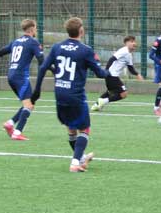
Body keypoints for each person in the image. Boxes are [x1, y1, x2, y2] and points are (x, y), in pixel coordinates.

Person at [31, 17, 109, 173]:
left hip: (60, 93)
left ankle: (81, 158)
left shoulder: (57, 47)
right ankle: (75, 163)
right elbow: (100, 74)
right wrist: (108, 70)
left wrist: (37, 91)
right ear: (81, 30)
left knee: (72, 129)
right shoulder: (86, 50)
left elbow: (43, 68)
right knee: (85, 129)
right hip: (75, 95)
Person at [0, 18, 44, 140]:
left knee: (29, 104)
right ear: (32, 29)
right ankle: (17, 132)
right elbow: (41, 60)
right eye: (36, 28)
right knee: (28, 105)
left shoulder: (16, 42)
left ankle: (10, 123)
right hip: (21, 77)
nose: (36, 30)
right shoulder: (33, 42)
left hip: (11, 76)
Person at [92, 35, 144, 112]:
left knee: (110, 92)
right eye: (132, 41)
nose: (134, 43)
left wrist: (137, 74)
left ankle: (96, 105)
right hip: (112, 75)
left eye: (134, 42)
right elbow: (112, 59)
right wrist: (106, 71)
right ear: (126, 43)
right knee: (124, 94)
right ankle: (103, 101)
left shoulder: (129, 54)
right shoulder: (123, 51)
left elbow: (130, 68)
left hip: (112, 76)